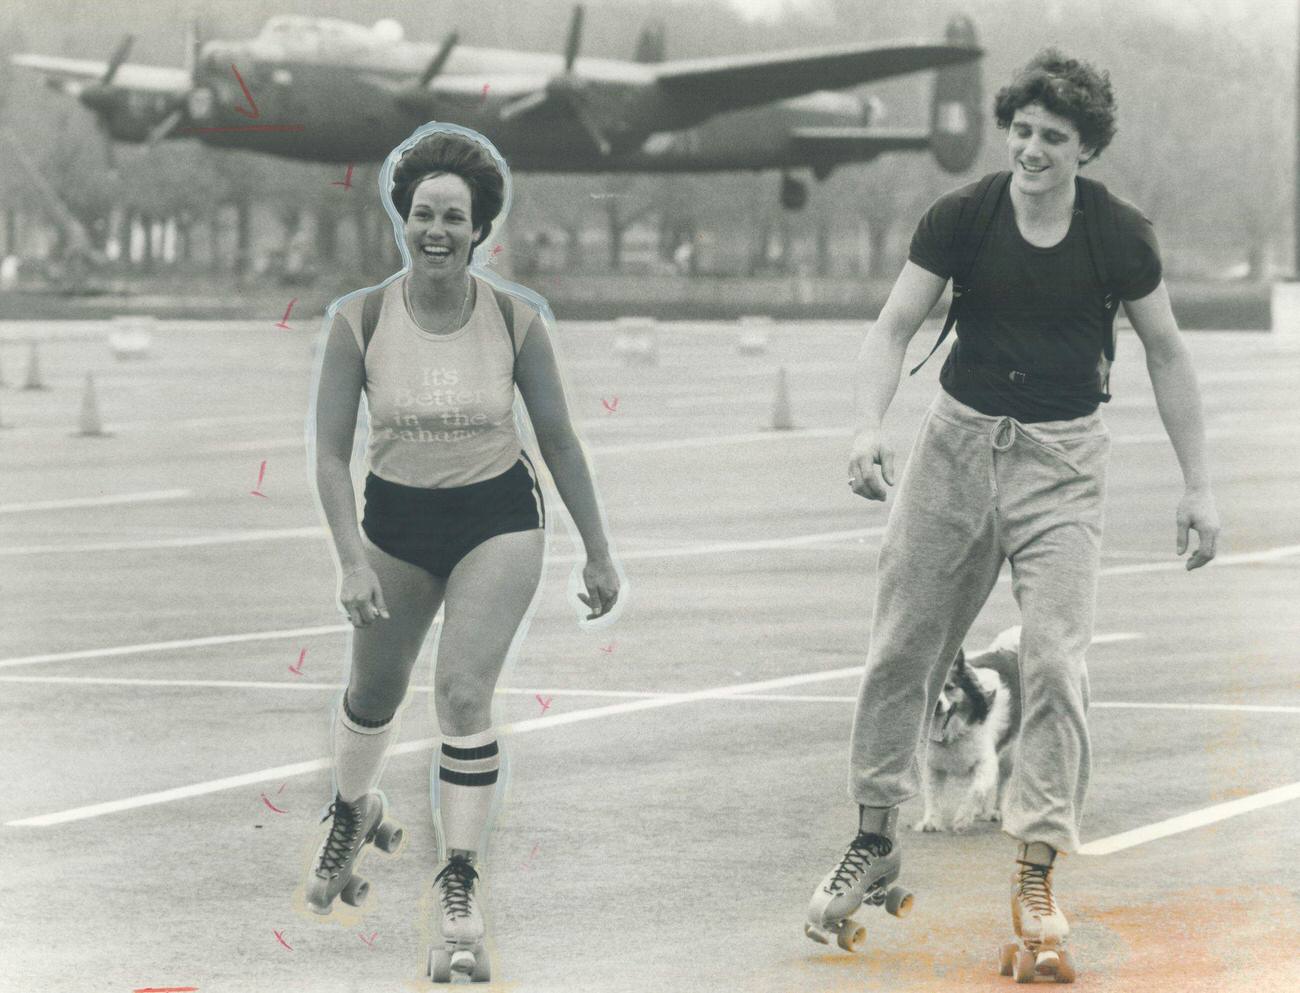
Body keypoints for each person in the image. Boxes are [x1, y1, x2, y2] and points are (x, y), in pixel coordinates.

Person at [805, 50, 1219, 979]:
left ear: (1086, 149)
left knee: (1057, 662)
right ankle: (874, 836)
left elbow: (1167, 354)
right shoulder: (963, 217)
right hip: (954, 448)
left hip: (1063, 460)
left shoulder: (1119, 237)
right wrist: (866, 427)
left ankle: (1036, 873)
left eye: (1054, 139)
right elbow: (892, 325)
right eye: (1023, 132)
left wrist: (1199, 486)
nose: (1032, 151)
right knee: (901, 648)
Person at [303, 125, 621, 983]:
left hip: (496, 517)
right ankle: (352, 803)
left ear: (480, 230)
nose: (436, 230)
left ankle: (459, 881)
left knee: (462, 690)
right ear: (401, 220)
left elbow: (557, 440)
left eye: (454, 216)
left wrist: (597, 549)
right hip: (395, 521)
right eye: (422, 214)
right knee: (373, 691)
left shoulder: (517, 320)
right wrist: (351, 560)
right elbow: (331, 452)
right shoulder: (357, 320)